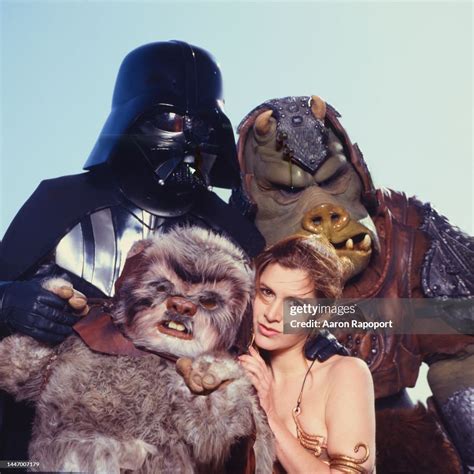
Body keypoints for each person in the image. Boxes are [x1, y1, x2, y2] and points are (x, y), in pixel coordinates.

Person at [0, 40, 264, 460]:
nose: (192, 143)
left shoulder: (235, 232)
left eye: (205, 126)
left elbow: (289, 309)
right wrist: (8, 299)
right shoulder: (59, 202)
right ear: (132, 119)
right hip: (46, 444)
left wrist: (326, 333)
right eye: (175, 121)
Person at [239, 236, 376, 474]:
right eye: (266, 292)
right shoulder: (236, 367)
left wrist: (269, 414)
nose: (272, 314)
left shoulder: (345, 374)